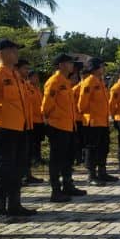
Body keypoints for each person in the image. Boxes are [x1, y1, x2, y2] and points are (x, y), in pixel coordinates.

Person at [0, 38, 35, 223]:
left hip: (19, 129)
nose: (17, 53)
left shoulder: (16, 76)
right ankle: (0, 209)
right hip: (2, 129)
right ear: (2, 53)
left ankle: (15, 205)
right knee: (2, 170)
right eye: (13, 50)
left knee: (17, 169)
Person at [42, 53, 87, 202]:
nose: (72, 65)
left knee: (67, 158)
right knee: (57, 159)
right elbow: (47, 105)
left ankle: (68, 185)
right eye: (69, 63)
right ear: (61, 65)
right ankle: (56, 190)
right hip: (57, 125)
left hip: (68, 125)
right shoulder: (54, 81)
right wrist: (51, 118)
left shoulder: (66, 82)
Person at [79, 58, 118, 186]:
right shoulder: (89, 82)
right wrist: (92, 113)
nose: (103, 68)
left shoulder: (100, 82)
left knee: (103, 147)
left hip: (102, 121)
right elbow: (82, 105)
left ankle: (102, 172)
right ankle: (91, 175)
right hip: (93, 122)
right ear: (95, 68)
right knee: (92, 149)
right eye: (101, 66)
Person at [16, 60, 43, 185]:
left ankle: (27, 174)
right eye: (24, 69)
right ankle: (21, 176)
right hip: (19, 123)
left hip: (29, 123)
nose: (26, 71)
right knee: (19, 153)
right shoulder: (21, 85)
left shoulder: (26, 86)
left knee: (27, 151)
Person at [28, 70, 46, 167]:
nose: (37, 79)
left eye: (37, 77)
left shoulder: (37, 89)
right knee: (33, 142)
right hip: (32, 120)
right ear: (29, 77)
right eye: (35, 77)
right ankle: (33, 159)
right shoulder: (28, 88)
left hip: (39, 119)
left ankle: (38, 158)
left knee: (38, 141)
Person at [71, 70, 85, 166]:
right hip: (76, 118)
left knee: (84, 140)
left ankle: (83, 158)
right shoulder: (76, 89)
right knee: (77, 141)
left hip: (84, 119)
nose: (75, 80)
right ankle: (78, 158)